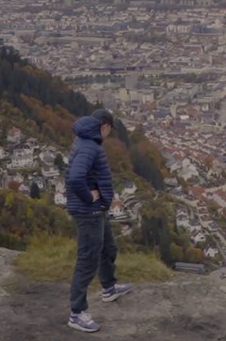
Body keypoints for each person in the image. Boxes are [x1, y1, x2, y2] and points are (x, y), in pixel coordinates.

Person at [65, 108, 131, 332]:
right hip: (89, 212)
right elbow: (75, 178)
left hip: (97, 210)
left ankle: (109, 288)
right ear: (105, 126)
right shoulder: (89, 146)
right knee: (87, 260)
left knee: (108, 249)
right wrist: (88, 197)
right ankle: (76, 313)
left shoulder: (84, 140)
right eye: (109, 130)